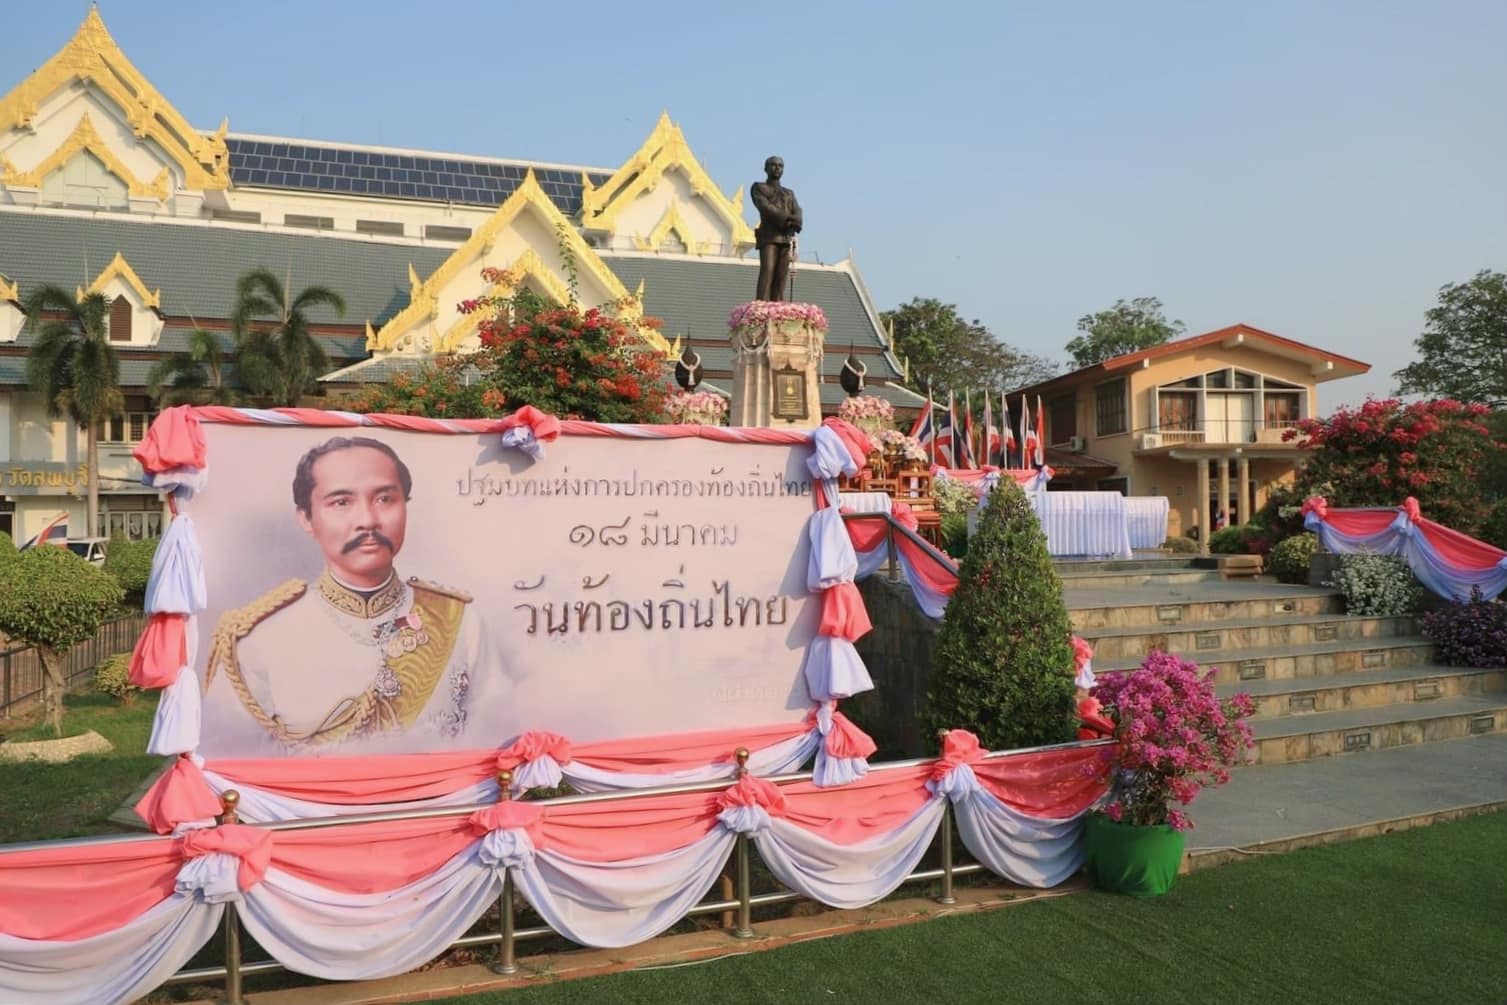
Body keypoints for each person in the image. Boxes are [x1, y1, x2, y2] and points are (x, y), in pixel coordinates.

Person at [204, 435, 493, 752]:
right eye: (341, 502)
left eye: (385, 499)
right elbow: (233, 763)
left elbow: (494, 740)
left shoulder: (458, 621)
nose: (368, 520)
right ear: (306, 518)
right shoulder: (258, 638)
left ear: (405, 506)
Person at [751, 155, 802, 302]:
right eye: (773, 165)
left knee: (781, 277)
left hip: (786, 238)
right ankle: (762, 307)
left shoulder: (789, 193)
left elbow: (798, 212)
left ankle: (778, 308)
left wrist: (795, 220)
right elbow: (766, 208)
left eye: (780, 166)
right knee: (768, 271)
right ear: (766, 168)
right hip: (769, 237)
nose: (777, 168)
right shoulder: (759, 188)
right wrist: (788, 218)